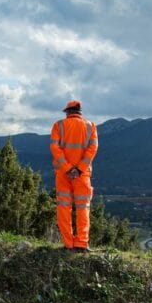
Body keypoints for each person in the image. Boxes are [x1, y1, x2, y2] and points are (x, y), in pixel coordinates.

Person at [50, 100, 99, 251]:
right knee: (83, 208)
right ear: (80, 112)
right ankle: (81, 243)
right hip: (82, 175)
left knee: (64, 209)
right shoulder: (91, 126)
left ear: (67, 112)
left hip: (63, 174)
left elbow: (55, 147)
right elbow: (93, 148)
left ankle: (68, 244)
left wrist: (67, 168)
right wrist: (79, 169)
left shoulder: (58, 126)